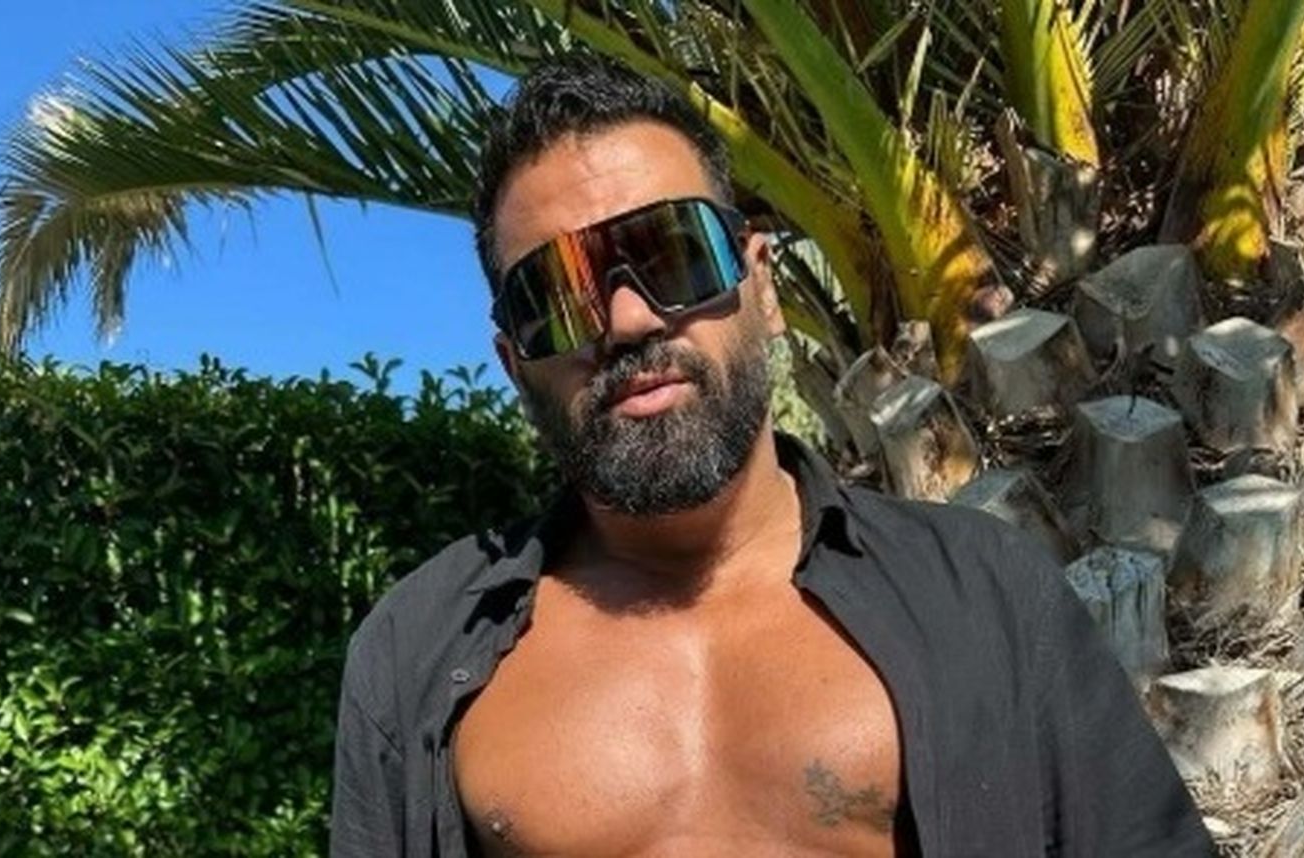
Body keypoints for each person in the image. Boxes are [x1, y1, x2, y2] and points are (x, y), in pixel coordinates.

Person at [330, 53, 1214, 858]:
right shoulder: (416, 652)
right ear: (514, 361)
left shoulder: (985, 590)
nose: (629, 320)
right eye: (558, 295)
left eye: (670, 254)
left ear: (760, 283)